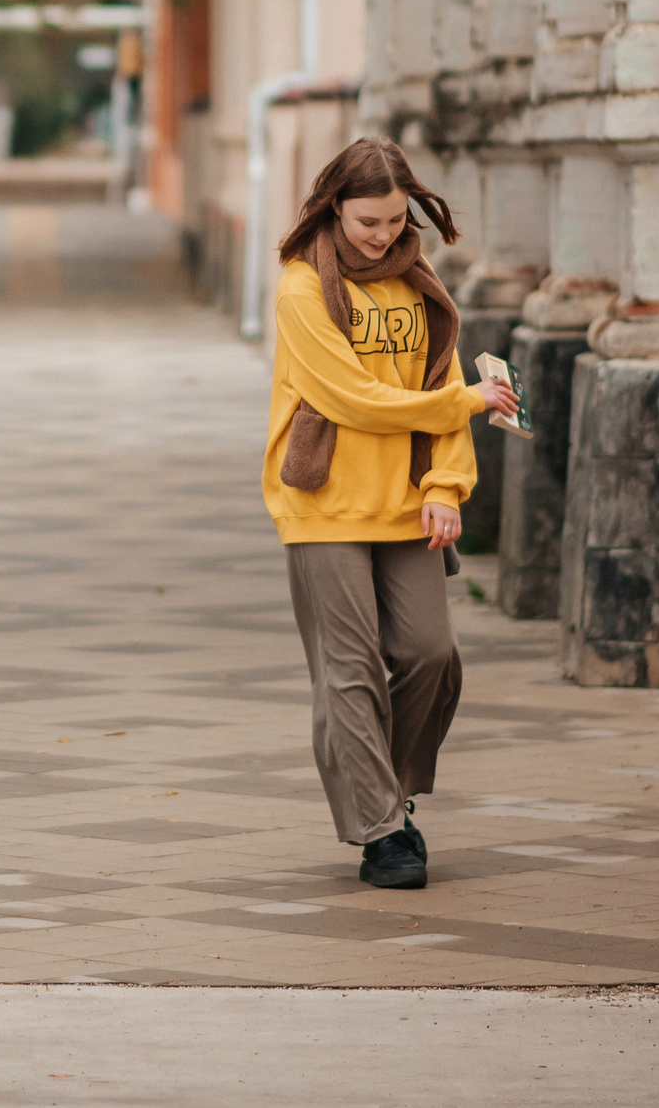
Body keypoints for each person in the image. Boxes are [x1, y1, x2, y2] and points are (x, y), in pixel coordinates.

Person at [261, 136, 519, 891]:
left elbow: (443, 382)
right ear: (334, 205)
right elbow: (348, 398)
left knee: (431, 653)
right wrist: (462, 403)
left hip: (407, 498)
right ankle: (381, 830)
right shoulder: (302, 286)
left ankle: (391, 792)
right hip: (326, 502)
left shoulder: (418, 279)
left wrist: (445, 486)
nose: (382, 234)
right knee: (348, 673)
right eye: (368, 221)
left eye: (395, 219)